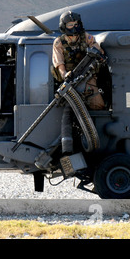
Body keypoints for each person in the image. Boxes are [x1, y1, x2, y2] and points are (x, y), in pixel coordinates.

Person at [52, 11, 106, 155]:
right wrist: (65, 75)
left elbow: (97, 49)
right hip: (71, 81)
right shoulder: (59, 42)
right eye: (70, 25)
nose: (74, 27)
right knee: (69, 112)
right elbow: (59, 63)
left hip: (88, 78)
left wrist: (95, 52)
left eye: (76, 24)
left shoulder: (87, 37)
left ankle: (96, 140)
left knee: (98, 104)